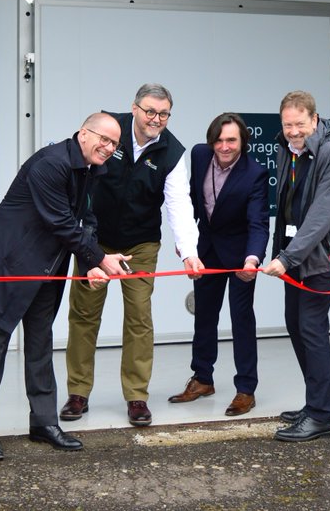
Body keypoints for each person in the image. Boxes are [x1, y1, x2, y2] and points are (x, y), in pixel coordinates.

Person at [0, 113, 133, 461]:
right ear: (83, 134)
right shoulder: (51, 164)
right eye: (104, 138)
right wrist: (101, 259)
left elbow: (86, 219)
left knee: (41, 347)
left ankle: (43, 422)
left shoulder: (90, 169)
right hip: (8, 267)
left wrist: (89, 266)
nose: (108, 147)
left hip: (46, 270)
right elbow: (60, 222)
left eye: (115, 143)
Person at [62, 83, 202, 427]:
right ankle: (78, 392)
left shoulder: (172, 151)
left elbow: (179, 203)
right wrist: (81, 237)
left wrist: (188, 251)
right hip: (95, 242)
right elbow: (78, 172)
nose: (156, 119)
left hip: (140, 244)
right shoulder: (109, 129)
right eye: (150, 111)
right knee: (83, 315)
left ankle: (137, 396)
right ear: (135, 108)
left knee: (139, 319)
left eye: (164, 113)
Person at [261, 90, 330, 442]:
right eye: (287, 125)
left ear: (314, 120)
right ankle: (323, 403)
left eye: (299, 124)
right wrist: (279, 251)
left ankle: (319, 417)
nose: (293, 131)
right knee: (296, 325)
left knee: (311, 328)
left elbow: (321, 216)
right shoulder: (288, 148)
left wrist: (287, 259)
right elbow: (285, 204)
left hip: (322, 256)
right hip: (295, 255)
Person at [167, 112, 270, 416]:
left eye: (231, 140)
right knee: (204, 316)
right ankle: (202, 379)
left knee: (241, 320)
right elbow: (191, 201)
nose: (224, 147)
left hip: (241, 257)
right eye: (219, 140)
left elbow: (259, 223)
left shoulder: (255, 173)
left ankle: (246, 389)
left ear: (243, 142)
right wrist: (186, 241)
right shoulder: (199, 155)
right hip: (206, 250)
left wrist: (253, 259)